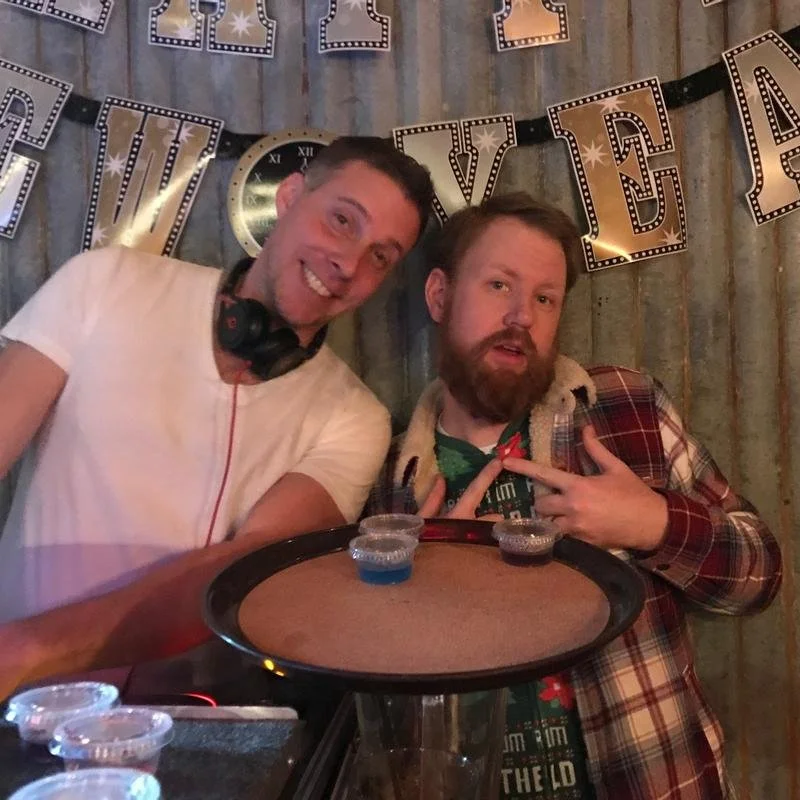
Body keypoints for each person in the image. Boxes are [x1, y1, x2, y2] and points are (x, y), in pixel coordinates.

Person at [371, 192, 782, 799]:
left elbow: (760, 578)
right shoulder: (393, 488)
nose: (521, 317)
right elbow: (377, 711)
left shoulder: (624, 409)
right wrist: (424, 596)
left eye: (544, 298)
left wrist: (654, 524)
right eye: (498, 286)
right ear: (439, 296)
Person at [0, 136, 434, 700]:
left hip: (179, 727)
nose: (349, 263)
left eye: (381, 256)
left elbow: (247, 572)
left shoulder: (355, 417)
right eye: (342, 221)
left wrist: (21, 651)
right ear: (290, 196)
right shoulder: (104, 282)